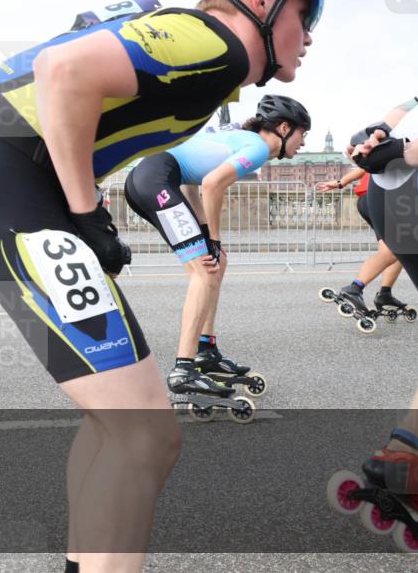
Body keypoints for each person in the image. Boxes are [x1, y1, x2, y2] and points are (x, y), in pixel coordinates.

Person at [0, 0, 323, 572]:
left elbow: (60, 50)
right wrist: (84, 210)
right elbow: (63, 67)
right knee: (147, 438)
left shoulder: (177, 35)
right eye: (307, 12)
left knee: (118, 425)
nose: (311, 35)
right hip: (10, 188)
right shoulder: (217, 43)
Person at [328, 75, 418, 567]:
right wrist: (410, 149)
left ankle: (404, 453)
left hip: (391, 193)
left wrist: (381, 138)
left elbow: (395, 115)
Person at [124, 94, 310, 406]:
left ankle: (206, 350)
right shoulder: (257, 147)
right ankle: (184, 369)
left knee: (216, 263)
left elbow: (192, 183)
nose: (303, 143)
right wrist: (213, 237)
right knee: (205, 270)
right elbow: (212, 184)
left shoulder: (241, 140)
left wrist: (208, 235)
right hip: (155, 181)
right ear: (283, 128)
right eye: (303, 134)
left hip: (156, 179)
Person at [315, 168, 414, 329]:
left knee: (397, 250)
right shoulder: (413, 152)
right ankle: (354, 288)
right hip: (384, 197)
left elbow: (365, 166)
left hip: (369, 199)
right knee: (394, 250)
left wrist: (340, 183)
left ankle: (385, 294)